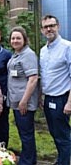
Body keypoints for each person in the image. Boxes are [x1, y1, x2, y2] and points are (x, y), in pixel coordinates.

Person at [40, 14, 71, 165]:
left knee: (63, 136)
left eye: (51, 26)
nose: (49, 29)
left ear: (58, 27)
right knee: (54, 133)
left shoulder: (68, 47)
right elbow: (44, 76)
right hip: (48, 99)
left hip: (62, 99)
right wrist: (41, 97)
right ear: (42, 30)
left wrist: (69, 103)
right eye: (46, 27)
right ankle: (61, 160)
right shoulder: (43, 51)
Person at [7, 26, 38, 165]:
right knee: (25, 133)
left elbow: (33, 79)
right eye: (13, 38)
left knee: (26, 135)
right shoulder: (16, 54)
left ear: (25, 39)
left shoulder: (28, 55)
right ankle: (31, 160)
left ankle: (26, 162)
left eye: (18, 38)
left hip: (23, 103)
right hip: (16, 101)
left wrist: (24, 101)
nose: (15, 40)